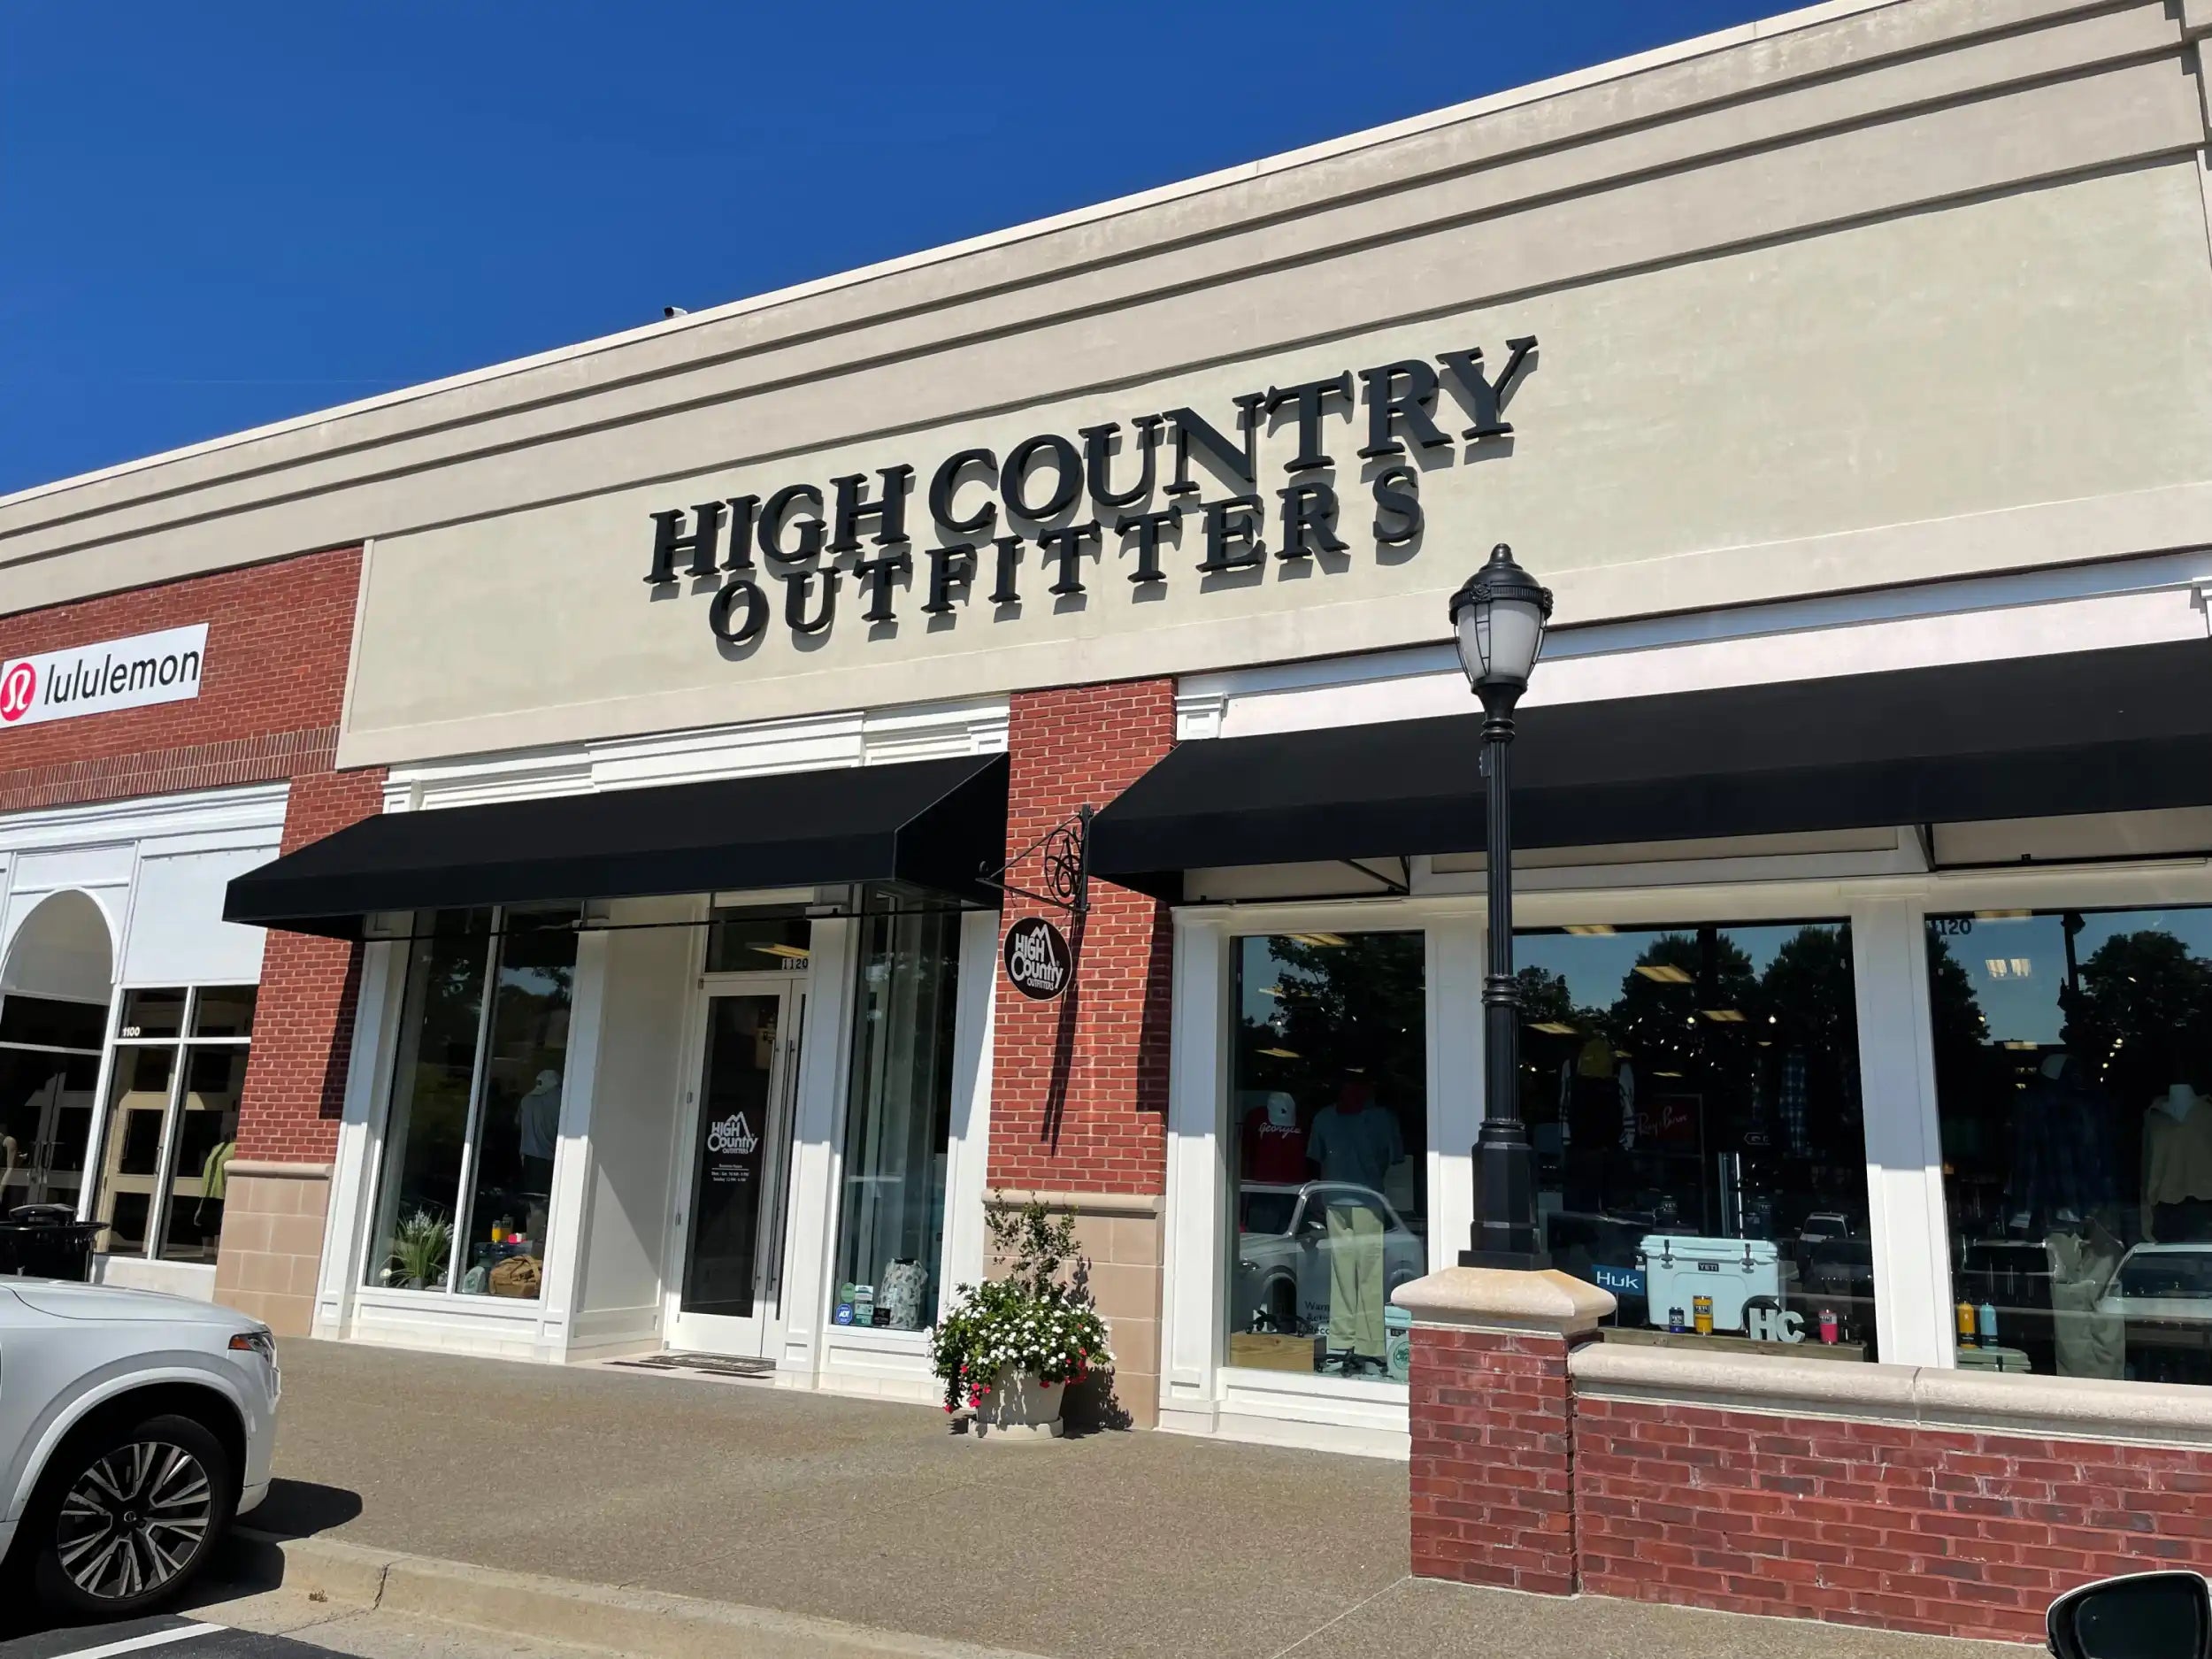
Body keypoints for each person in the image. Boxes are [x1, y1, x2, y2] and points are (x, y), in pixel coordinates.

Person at [1306, 1077, 1403, 1375]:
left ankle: (1341, 1341)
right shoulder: (1380, 1118)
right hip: (1367, 1198)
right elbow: (1394, 1159)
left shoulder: (1325, 1118)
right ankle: (1369, 1345)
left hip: (1338, 1199)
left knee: (1343, 1272)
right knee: (1369, 1276)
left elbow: (1317, 1159)